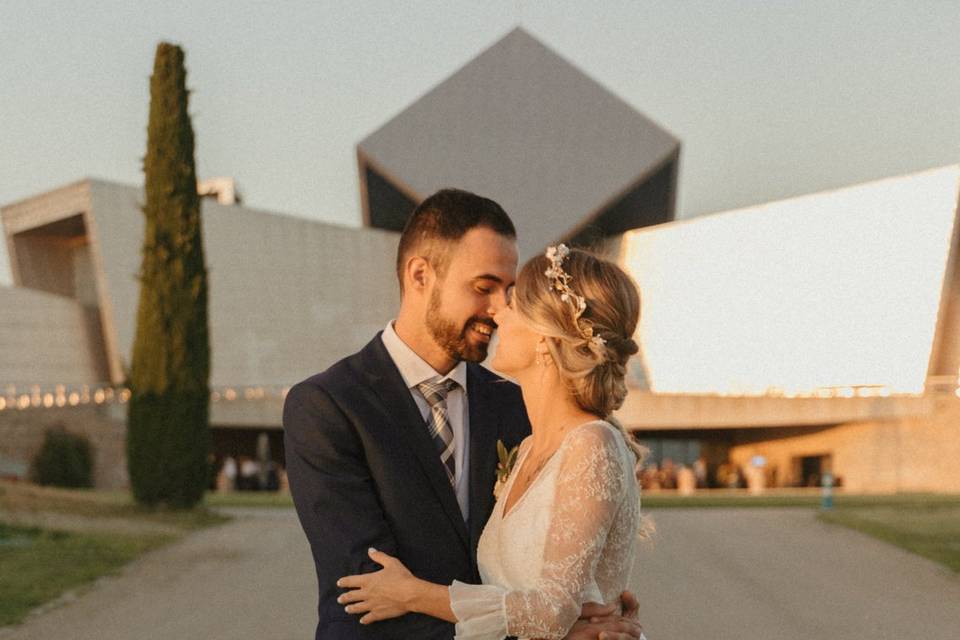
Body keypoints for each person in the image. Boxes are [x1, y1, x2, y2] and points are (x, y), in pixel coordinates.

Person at [284, 190, 643, 640]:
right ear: (420, 275)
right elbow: (371, 590)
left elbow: (555, 568)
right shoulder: (328, 406)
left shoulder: (521, 409)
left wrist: (588, 607)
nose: (498, 310)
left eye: (509, 293)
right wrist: (560, 633)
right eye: (483, 287)